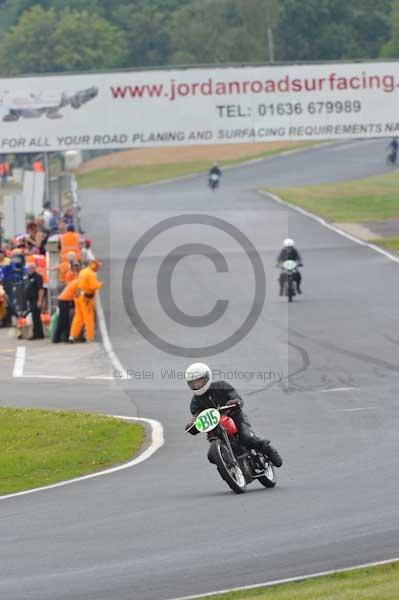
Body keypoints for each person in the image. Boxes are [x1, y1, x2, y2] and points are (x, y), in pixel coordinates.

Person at [184, 363, 283, 467]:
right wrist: (192, 425)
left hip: (235, 417)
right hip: (215, 429)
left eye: (199, 381)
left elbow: (236, 398)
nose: (197, 385)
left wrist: (234, 402)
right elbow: (197, 417)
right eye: (193, 383)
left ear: (206, 377)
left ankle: (267, 448)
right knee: (211, 456)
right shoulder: (195, 402)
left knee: (246, 438)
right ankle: (231, 468)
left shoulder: (221, 386)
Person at [69, 259, 102, 343]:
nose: (98, 268)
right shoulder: (91, 274)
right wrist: (100, 284)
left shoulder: (83, 272)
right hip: (86, 298)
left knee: (78, 317)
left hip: (78, 295)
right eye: (98, 267)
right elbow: (93, 287)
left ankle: (72, 336)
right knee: (88, 318)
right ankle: (89, 337)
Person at [52, 276, 80, 343]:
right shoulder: (78, 283)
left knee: (65, 321)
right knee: (63, 321)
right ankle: (57, 338)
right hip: (64, 301)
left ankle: (65, 337)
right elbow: (77, 295)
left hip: (64, 301)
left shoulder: (75, 281)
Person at [23, 263, 45, 340]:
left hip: (36, 298)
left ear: (34, 268)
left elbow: (40, 289)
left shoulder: (38, 277)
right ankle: (38, 333)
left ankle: (37, 334)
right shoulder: (28, 277)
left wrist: (40, 300)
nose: (30, 269)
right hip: (30, 299)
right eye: (29, 268)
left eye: (31, 268)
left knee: (36, 317)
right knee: (34, 317)